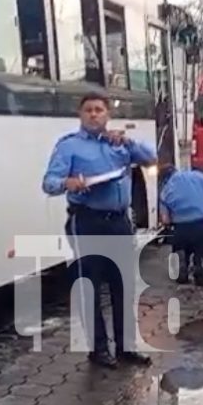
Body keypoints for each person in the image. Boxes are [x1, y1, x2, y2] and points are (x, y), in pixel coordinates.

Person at [42, 92, 156, 369]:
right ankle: (99, 349)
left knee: (123, 285)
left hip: (118, 222)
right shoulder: (69, 146)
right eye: (88, 110)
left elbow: (151, 158)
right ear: (81, 116)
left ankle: (126, 347)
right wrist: (68, 183)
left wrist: (127, 141)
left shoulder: (118, 145)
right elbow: (49, 182)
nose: (94, 114)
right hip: (87, 221)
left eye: (99, 110)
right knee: (90, 287)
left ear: (108, 115)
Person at [159, 165, 203, 286]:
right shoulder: (198, 176)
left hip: (180, 228)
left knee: (179, 246)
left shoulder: (166, 189)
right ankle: (200, 262)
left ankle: (182, 264)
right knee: (202, 248)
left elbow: (165, 220)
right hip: (201, 224)